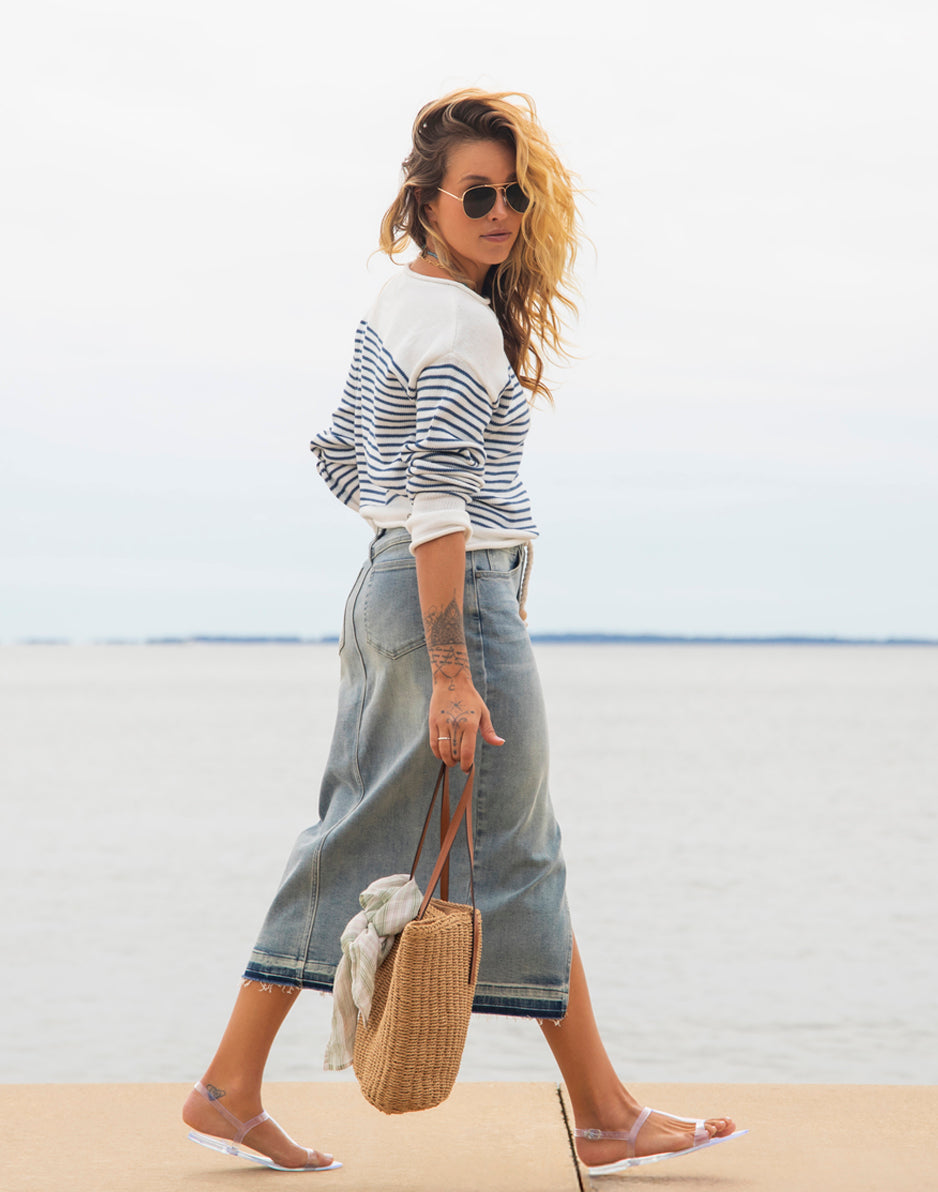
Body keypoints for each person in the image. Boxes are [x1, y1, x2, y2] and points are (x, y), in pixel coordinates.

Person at [182, 88, 745, 1177]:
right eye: (476, 194)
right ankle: (603, 1112)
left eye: (512, 193)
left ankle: (230, 1084)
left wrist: (399, 549)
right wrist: (453, 654)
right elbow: (440, 495)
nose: (499, 211)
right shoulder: (457, 320)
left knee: (364, 833)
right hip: (452, 602)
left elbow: (343, 453)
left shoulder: (396, 301)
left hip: (389, 589)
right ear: (427, 202)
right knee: (517, 848)